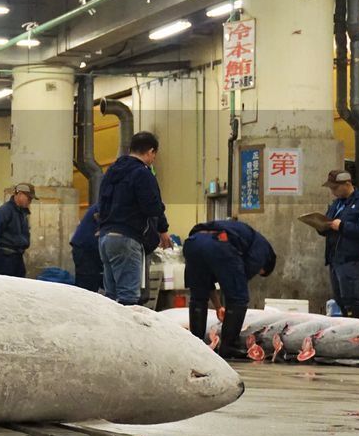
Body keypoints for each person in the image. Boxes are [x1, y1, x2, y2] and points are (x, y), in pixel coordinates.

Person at [183, 219, 277, 359]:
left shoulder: (246, 236)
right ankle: (228, 347)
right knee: (239, 298)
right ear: (266, 263)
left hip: (193, 242)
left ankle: (195, 344)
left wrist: (218, 306)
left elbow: (207, 284)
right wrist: (231, 309)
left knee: (198, 296)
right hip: (219, 243)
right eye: (260, 272)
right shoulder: (262, 250)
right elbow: (238, 282)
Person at [96, 130, 170, 305]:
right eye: (154, 156)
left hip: (105, 239)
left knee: (111, 298)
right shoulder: (142, 173)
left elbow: (100, 206)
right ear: (151, 152)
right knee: (128, 298)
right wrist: (163, 228)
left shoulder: (111, 172)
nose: (153, 160)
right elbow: (152, 206)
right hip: (127, 239)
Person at [318, 169, 359, 319]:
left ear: (347, 183)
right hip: (335, 259)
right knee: (340, 300)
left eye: (335, 188)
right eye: (331, 188)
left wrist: (343, 226)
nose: (333, 191)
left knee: (352, 300)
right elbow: (328, 223)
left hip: (352, 260)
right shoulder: (336, 204)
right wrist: (320, 226)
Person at [0, 183, 34, 277]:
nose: (30, 201)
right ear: (19, 194)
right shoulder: (5, 211)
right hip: (4, 258)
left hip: (17, 257)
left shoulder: (22, 213)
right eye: (29, 198)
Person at [70, 204, 103, 292]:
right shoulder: (104, 205)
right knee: (87, 287)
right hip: (86, 249)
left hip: (85, 247)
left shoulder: (102, 204)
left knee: (87, 285)